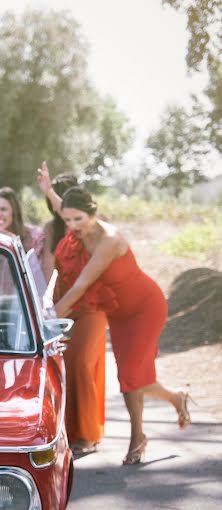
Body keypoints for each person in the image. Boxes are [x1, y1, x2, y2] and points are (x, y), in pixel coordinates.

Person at [52, 186, 191, 465]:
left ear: (93, 213)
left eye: (78, 219)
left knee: (129, 376)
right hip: (117, 312)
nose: (71, 226)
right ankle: (176, 397)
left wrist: (48, 317)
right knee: (135, 379)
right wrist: (49, 191)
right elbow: (63, 206)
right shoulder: (79, 226)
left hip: (144, 308)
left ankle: (137, 438)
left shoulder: (109, 240)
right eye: (67, 220)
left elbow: (82, 285)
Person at [37, 165, 106, 455]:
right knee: (61, 366)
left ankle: (88, 434)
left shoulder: (93, 228)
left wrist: (49, 189)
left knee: (81, 364)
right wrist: (39, 304)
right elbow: (45, 270)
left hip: (92, 305)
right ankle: (66, 431)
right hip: (62, 304)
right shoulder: (53, 229)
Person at [0, 187, 45, 296]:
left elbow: (37, 277)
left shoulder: (33, 236)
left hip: (25, 302)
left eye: (3, 209)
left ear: (14, 211)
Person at [36, 164, 79, 284]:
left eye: (56, 199)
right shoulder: (51, 228)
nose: (54, 206)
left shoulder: (88, 224)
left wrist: (49, 191)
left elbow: (72, 216)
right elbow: (47, 267)